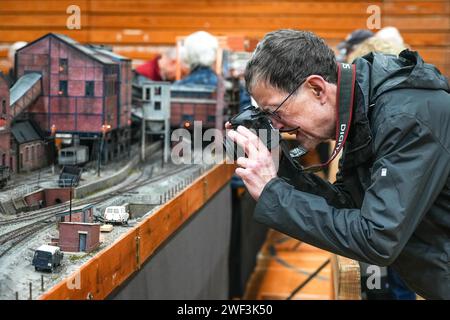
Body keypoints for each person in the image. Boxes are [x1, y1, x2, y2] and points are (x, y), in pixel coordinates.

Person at [227, 29, 450, 299]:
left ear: (317, 88)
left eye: (275, 112)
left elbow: (376, 238)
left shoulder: (403, 117)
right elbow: (349, 204)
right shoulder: (366, 101)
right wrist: (279, 167)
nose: (277, 126)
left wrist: (273, 193)